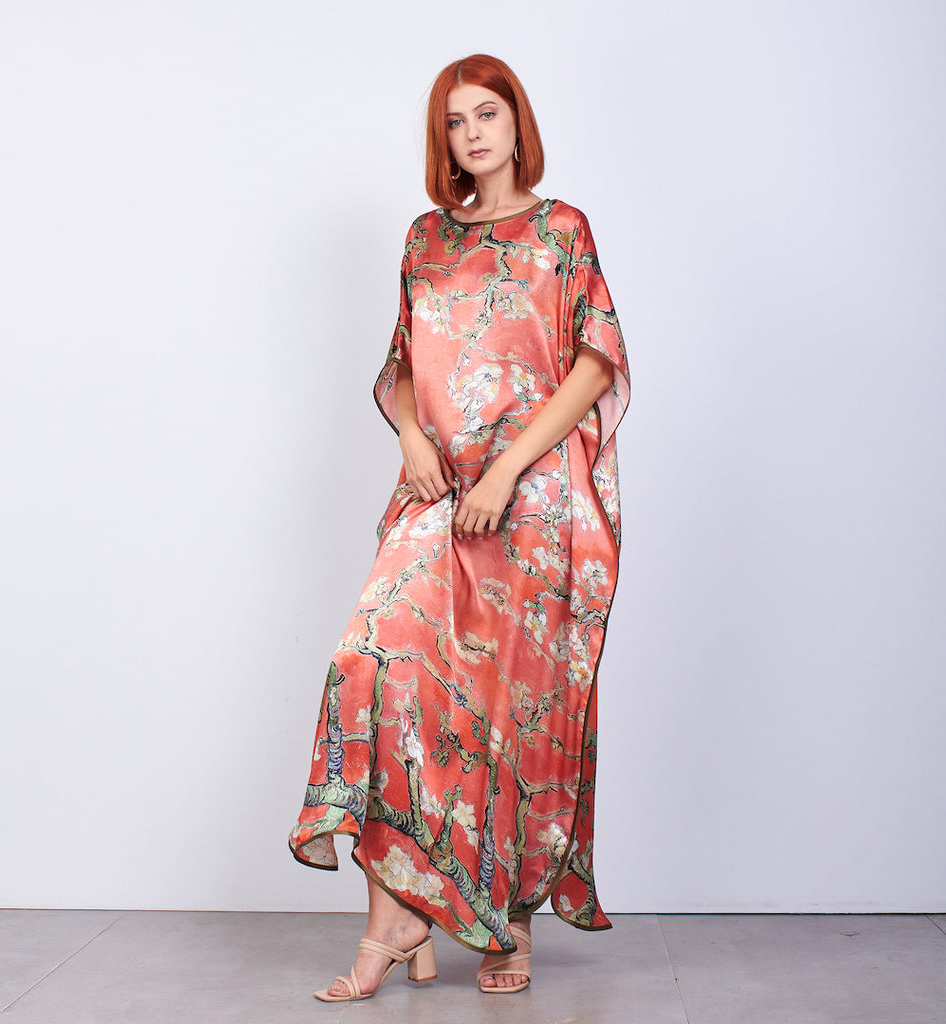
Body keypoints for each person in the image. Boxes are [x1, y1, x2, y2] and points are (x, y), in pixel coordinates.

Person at [288, 53, 630, 1002]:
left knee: (509, 708)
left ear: (518, 124)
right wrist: (409, 436)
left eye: (487, 114)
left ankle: (505, 924)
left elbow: (594, 361)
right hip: (438, 490)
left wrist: (510, 469)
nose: (472, 133)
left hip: (537, 502)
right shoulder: (425, 238)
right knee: (374, 662)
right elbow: (403, 362)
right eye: (454, 121)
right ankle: (402, 914)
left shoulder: (563, 230)